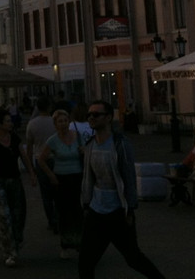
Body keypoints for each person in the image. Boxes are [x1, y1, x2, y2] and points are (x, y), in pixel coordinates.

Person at [78, 99, 165, 279]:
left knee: (133, 258)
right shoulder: (90, 145)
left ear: (109, 118)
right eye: (89, 115)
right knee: (85, 262)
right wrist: (86, 203)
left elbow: (129, 177)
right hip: (96, 210)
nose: (91, 118)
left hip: (118, 211)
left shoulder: (120, 144)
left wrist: (130, 209)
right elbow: (88, 177)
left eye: (96, 114)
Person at [0, 107, 35, 268]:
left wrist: (31, 173)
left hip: (15, 181)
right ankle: (9, 251)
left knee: (18, 214)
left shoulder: (14, 138)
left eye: (10, 120)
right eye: (7, 121)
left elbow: (24, 157)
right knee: (4, 215)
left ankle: (15, 242)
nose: (10, 123)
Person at [38, 108, 85, 259]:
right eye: (60, 121)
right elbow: (41, 159)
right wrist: (51, 175)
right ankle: (65, 244)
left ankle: (80, 242)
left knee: (78, 211)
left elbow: (86, 152)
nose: (63, 124)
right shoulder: (53, 140)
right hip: (61, 179)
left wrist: (83, 151)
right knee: (64, 212)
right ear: (55, 124)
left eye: (65, 121)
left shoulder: (77, 136)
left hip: (77, 177)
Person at [26, 96, 59, 232]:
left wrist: (30, 168)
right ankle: (59, 218)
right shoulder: (55, 122)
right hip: (56, 160)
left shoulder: (32, 124)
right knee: (57, 191)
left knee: (45, 194)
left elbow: (29, 147)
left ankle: (51, 220)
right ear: (50, 107)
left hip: (40, 160)